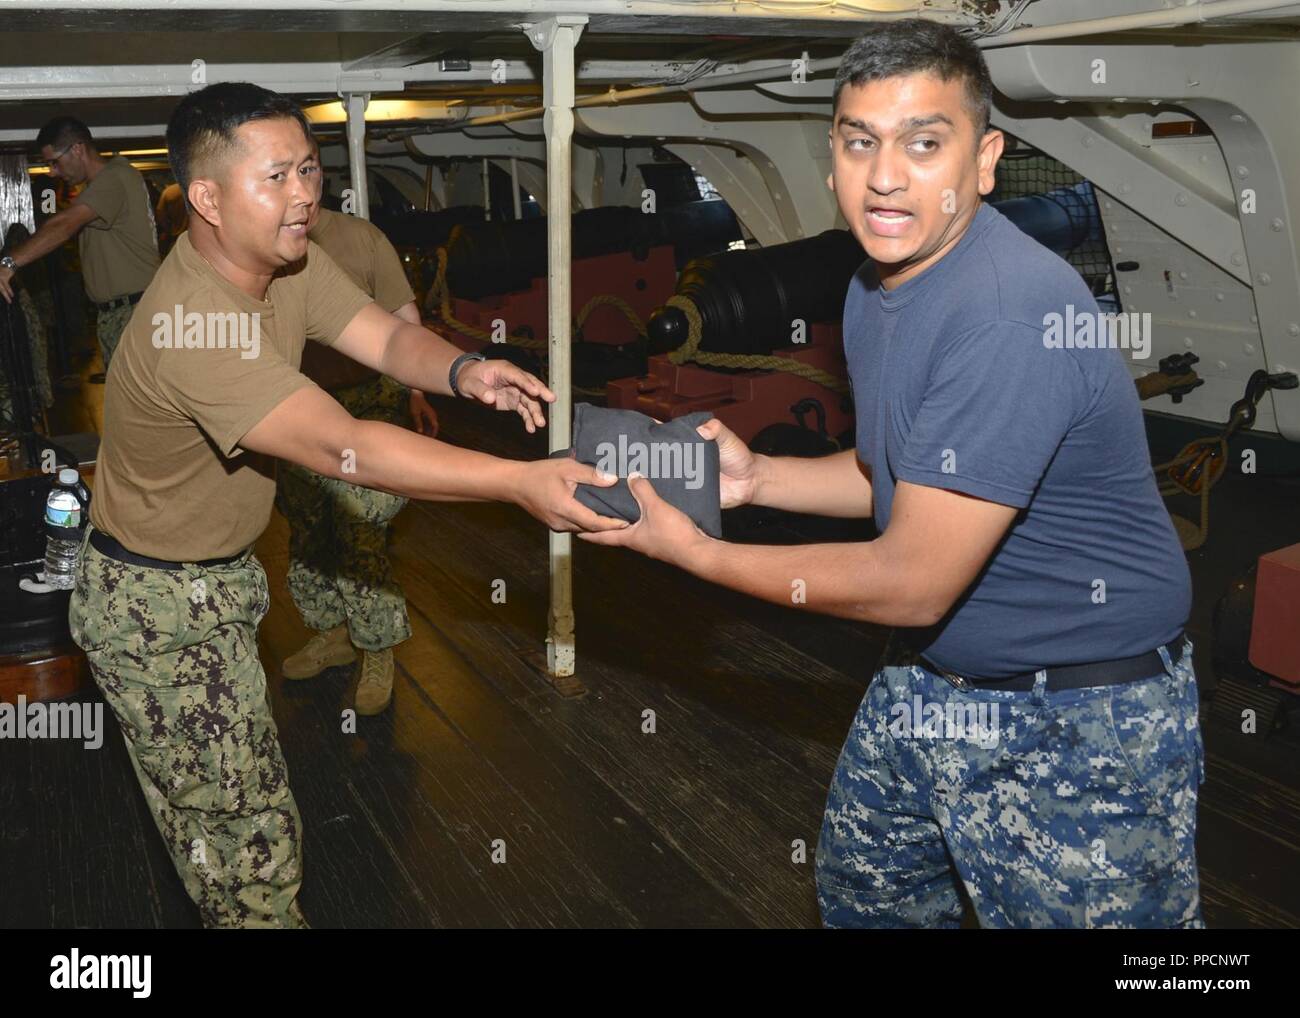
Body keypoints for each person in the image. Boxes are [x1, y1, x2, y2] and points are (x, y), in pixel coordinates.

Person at [580, 19, 1202, 929]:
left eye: (923, 143)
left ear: (985, 161)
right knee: (869, 900)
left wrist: (694, 555)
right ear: (831, 152)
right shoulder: (877, 286)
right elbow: (899, 477)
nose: (884, 175)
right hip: (936, 679)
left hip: (1081, 714)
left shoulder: (1006, 316)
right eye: (859, 141)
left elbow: (911, 580)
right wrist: (761, 483)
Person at [67, 81, 623, 929]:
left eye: (310, 170)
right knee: (246, 854)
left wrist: (468, 371)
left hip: (214, 582)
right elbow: (345, 447)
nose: (305, 195)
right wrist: (517, 481)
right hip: (156, 610)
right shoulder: (191, 325)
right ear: (207, 199)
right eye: (277, 177)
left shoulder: (285, 260)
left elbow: (385, 335)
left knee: (247, 813)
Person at [276, 151, 439, 714]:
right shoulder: (268, 245)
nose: (301, 184)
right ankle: (333, 633)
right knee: (307, 528)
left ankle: (378, 648)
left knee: (361, 529)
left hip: (367, 403)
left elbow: (404, 317)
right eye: (283, 173)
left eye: (310, 169)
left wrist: (417, 390)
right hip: (298, 407)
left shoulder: (362, 239)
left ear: (323, 175)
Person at [0, 117, 160, 381]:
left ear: (77, 149)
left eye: (54, 162)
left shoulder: (114, 177)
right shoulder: (93, 186)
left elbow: (64, 224)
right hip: (118, 313)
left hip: (133, 312)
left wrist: (9, 263)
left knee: (142, 410)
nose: (52, 171)